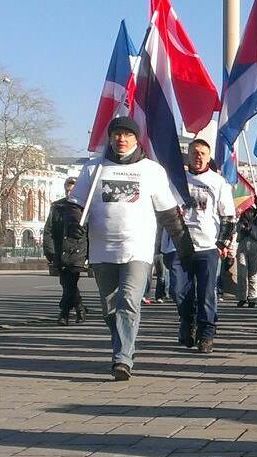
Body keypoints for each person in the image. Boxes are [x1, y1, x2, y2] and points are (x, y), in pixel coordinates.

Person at [61, 116, 188, 381]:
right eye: (117, 134)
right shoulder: (94, 168)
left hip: (137, 248)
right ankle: (123, 343)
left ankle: (122, 358)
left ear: (136, 138)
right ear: (110, 137)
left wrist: (184, 247)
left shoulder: (151, 170)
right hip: (102, 249)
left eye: (127, 135)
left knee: (129, 301)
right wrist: (73, 223)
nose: (122, 139)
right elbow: (74, 205)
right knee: (110, 309)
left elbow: (168, 213)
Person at [163, 139, 236, 353]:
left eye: (203, 153)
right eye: (195, 152)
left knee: (207, 292)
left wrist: (222, 242)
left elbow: (228, 216)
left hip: (207, 245)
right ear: (189, 154)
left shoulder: (218, 182)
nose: (198, 156)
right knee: (178, 290)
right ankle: (187, 321)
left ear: (209, 155)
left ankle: (206, 331)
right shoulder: (176, 180)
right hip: (178, 244)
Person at [43, 176, 88, 326]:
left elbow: (89, 232)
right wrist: (49, 251)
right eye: (68, 190)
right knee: (67, 283)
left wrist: (89, 254)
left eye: (73, 190)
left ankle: (63, 313)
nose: (70, 193)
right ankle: (80, 308)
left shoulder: (85, 207)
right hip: (60, 251)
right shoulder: (57, 206)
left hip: (77, 252)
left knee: (70, 281)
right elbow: (48, 230)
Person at [236, 206, 257, 308]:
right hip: (242, 246)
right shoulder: (241, 220)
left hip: (255, 246)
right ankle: (242, 297)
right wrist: (242, 228)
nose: (248, 213)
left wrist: (250, 229)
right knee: (242, 273)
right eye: (246, 210)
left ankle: (252, 297)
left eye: (250, 211)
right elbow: (236, 233)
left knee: (253, 273)